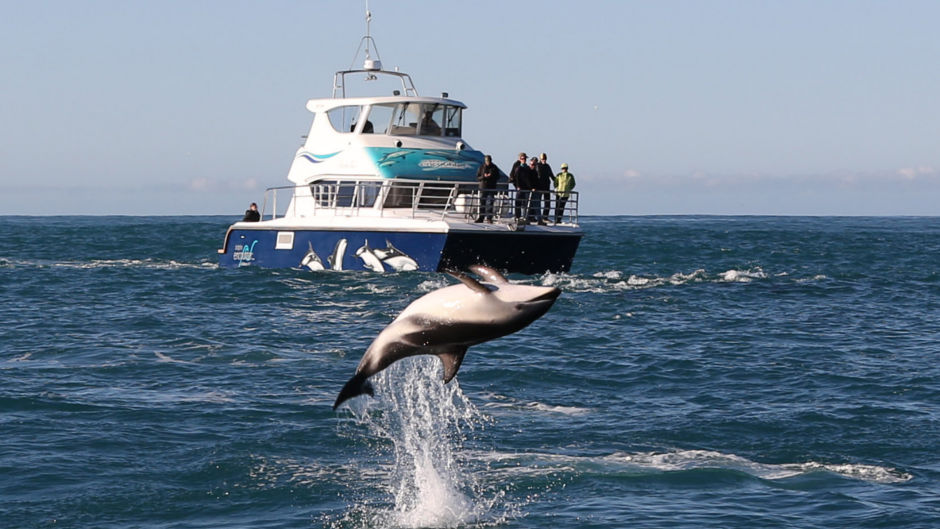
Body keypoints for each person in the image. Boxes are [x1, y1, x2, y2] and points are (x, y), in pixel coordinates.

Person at [475, 155, 500, 222]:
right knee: (482, 203)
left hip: (491, 187)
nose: (488, 162)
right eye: (487, 161)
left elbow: (498, 177)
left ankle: (489, 218)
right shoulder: (481, 167)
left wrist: (491, 176)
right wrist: (484, 176)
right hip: (483, 187)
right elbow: (478, 177)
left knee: (490, 203)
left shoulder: (494, 168)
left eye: (489, 161)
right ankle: (481, 217)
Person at [524, 156, 544, 224]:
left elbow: (537, 180)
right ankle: (526, 219)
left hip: (536, 191)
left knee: (537, 205)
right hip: (529, 191)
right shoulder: (527, 171)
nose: (533, 166)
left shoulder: (536, 171)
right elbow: (527, 181)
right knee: (527, 206)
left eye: (535, 165)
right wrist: (531, 188)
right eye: (532, 164)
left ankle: (539, 220)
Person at [509, 152, 528, 219]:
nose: (524, 160)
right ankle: (518, 216)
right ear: (519, 159)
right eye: (522, 158)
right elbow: (514, 176)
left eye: (525, 158)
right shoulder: (517, 165)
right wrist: (517, 185)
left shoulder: (526, 166)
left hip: (524, 187)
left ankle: (524, 216)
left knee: (525, 203)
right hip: (519, 186)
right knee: (518, 202)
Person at [536, 153, 554, 222]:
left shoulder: (547, 166)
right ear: (540, 159)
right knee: (537, 203)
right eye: (543, 159)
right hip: (539, 187)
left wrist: (557, 182)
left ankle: (545, 217)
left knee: (547, 203)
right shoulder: (537, 166)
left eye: (545, 159)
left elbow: (551, 175)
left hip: (546, 187)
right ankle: (537, 217)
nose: (544, 160)